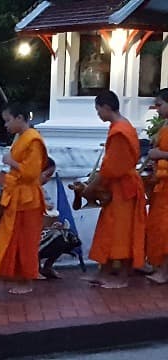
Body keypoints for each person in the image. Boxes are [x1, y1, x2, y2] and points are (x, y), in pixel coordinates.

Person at [0, 103, 48, 294]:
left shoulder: (33, 140)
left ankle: (26, 282)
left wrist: (11, 162)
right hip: (14, 197)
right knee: (5, 240)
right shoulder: (21, 138)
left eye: (7, 121)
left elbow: (32, 173)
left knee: (25, 242)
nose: (5, 125)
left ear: (20, 118)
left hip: (27, 200)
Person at [82, 90, 146, 289]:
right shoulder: (119, 127)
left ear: (107, 108)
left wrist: (91, 187)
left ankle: (122, 277)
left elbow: (111, 168)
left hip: (124, 188)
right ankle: (104, 272)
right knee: (108, 230)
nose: (98, 114)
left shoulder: (120, 131)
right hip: (117, 188)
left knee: (122, 233)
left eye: (98, 110)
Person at [145, 88, 168, 284]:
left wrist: (160, 155)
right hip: (161, 183)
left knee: (165, 228)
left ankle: (164, 271)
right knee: (158, 227)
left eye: (160, 105)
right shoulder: (164, 125)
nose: (157, 109)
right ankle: (159, 266)